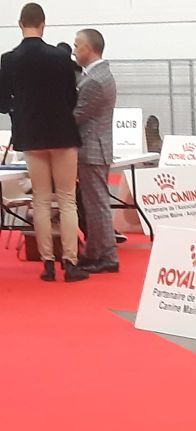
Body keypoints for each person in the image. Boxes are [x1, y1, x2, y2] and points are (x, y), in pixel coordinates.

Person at [0, 3, 87, 282]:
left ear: (19, 23)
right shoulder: (60, 57)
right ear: (43, 24)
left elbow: (2, 103)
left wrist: (19, 111)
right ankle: (70, 262)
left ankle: (47, 263)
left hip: (31, 135)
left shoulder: (8, 60)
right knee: (66, 199)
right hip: (62, 133)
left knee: (40, 199)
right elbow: (72, 97)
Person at [72, 28, 118, 273]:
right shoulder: (98, 76)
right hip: (95, 147)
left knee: (97, 204)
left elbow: (77, 115)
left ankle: (106, 256)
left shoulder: (94, 81)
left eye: (77, 45)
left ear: (88, 48)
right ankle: (96, 252)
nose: (74, 50)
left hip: (92, 148)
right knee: (94, 204)